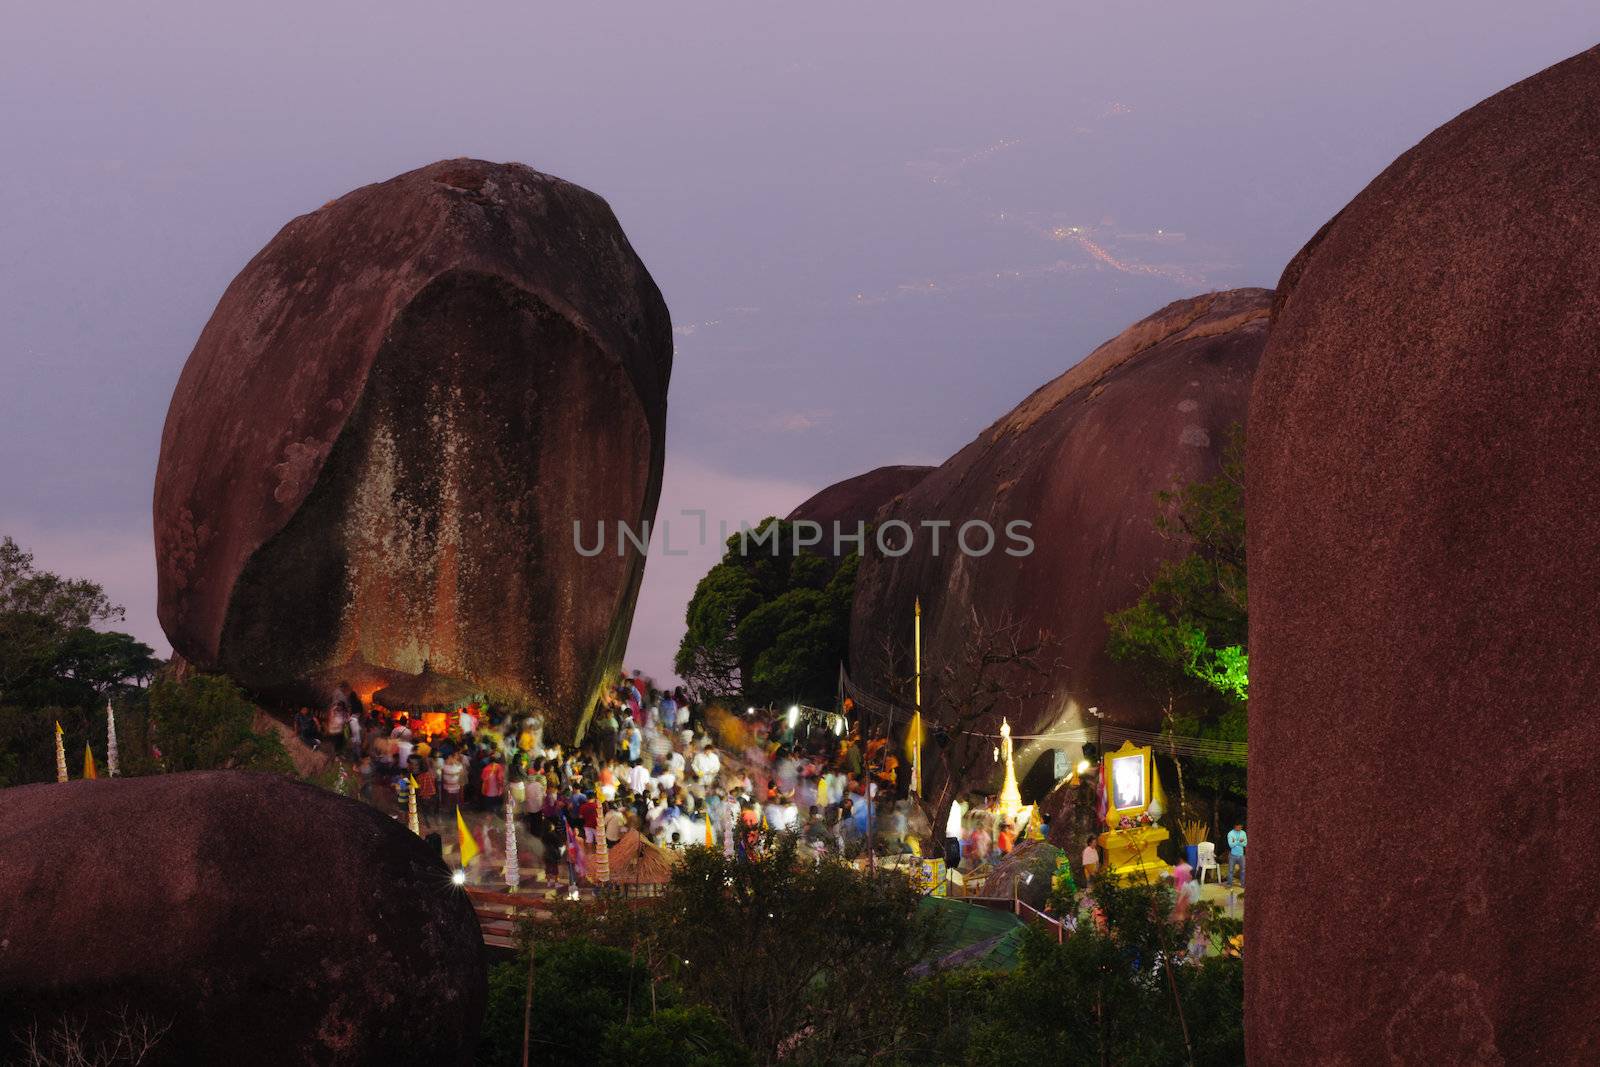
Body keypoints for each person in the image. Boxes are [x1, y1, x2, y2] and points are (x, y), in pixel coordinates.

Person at [1226, 822, 1246, 887]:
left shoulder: (1243, 833)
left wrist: (1235, 842)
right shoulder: (1230, 833)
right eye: (1239, 827)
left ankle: (1243, 884)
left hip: (1241, 855)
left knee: (1243, 870)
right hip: (1233, 855)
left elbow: (1245, 844)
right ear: (1235, 826)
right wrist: (1239, 841)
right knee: (1231, 870)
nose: (1240, 828)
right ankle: (1229, 884)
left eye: (1241, 827)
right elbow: (1231, 845)